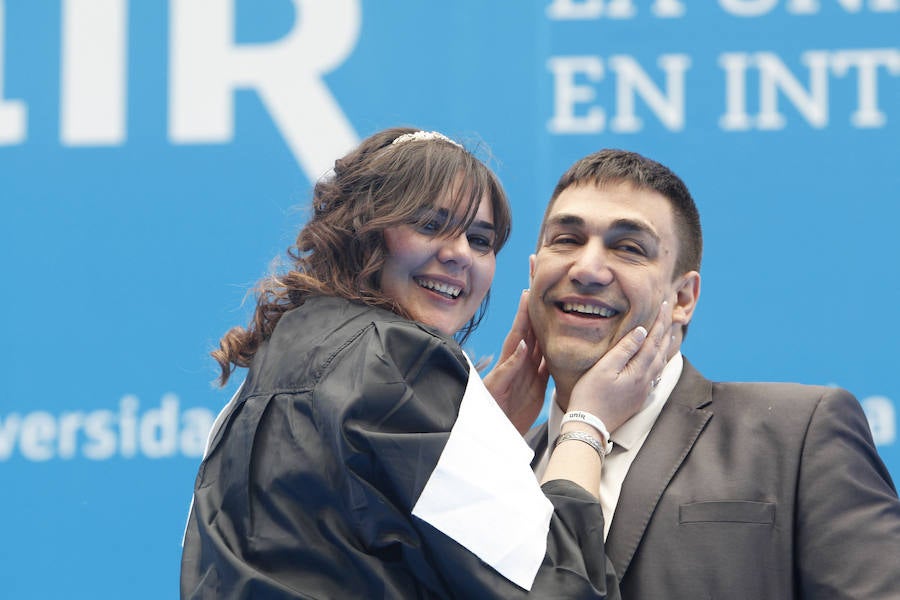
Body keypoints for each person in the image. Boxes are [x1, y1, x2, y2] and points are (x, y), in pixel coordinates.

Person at [180, 127, 670, 598]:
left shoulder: (278, 357)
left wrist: (479, 437)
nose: (458, 254)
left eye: (481, 240)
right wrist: (588, 424)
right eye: (430, 225)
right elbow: (564, 586)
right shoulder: (396, 361)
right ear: (364, 231)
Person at [525, 148, 900, 599]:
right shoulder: (497, 466)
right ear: (533, 270)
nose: (586, 269)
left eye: (628, 248)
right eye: (565, 239)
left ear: (683, 298)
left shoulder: (799, 433)